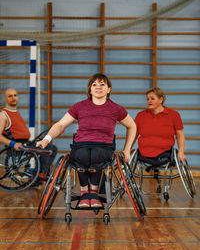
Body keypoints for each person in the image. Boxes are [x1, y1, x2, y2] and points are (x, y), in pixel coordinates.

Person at [37, 73, 137, 208]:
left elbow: (132, 126)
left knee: (97, 155)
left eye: (102, 84)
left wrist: (127, 149)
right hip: (81, 144)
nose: (98, 87)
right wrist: (46, 139)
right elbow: (60, 125)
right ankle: (84, 191)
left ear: (109, 89)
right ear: (90, 89)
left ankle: (94, 192)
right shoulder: (80, 106)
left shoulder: (116, 109)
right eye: (94, 85)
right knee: (81, 155)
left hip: (104, 146)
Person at [0, 88, 57, 184]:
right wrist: (13, 144)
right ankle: (38, 175)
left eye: (15, 95)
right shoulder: (3, 115)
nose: (13, 98)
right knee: (46, 148)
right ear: (5, 99)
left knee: (53, 148)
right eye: (10, 96)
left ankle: (40, 173)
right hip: (18, 145)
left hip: (26, 142)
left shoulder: (15, 112)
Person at [133, 87, 186, 165]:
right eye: (147, 99)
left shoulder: (174, 115)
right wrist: (127, 150)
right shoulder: (141, 115)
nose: (149, 101)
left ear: (161, 100)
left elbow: (180, 135)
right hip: (143, 153)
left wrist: (181, 152)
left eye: (152, 99)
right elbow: (133, 135)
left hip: (164, 153)